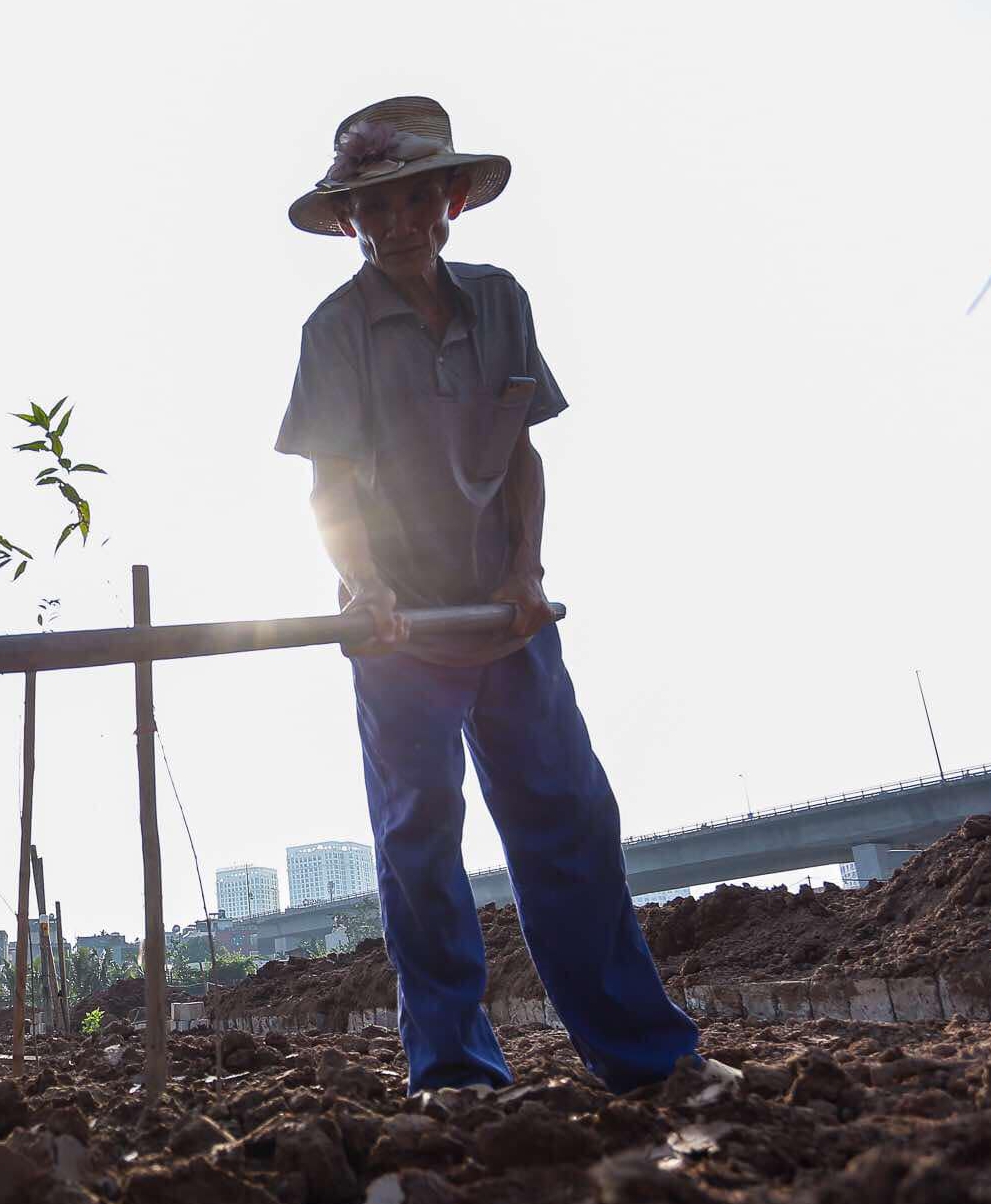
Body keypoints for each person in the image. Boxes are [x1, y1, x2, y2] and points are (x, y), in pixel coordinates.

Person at [276, 97, 700, 1094]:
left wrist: (525, 575)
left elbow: (520, 454)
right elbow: (329, 485)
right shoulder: (335, 329)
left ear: (451, 198)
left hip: (503, 617)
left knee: (570, 823)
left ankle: (644, 1056)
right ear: (350, 221)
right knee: (420, 841)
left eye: (415, 198)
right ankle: (457, 1066)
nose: (397, 223)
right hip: (398, 628)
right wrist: (364, 583)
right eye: (373, 208)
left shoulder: (500, 300)